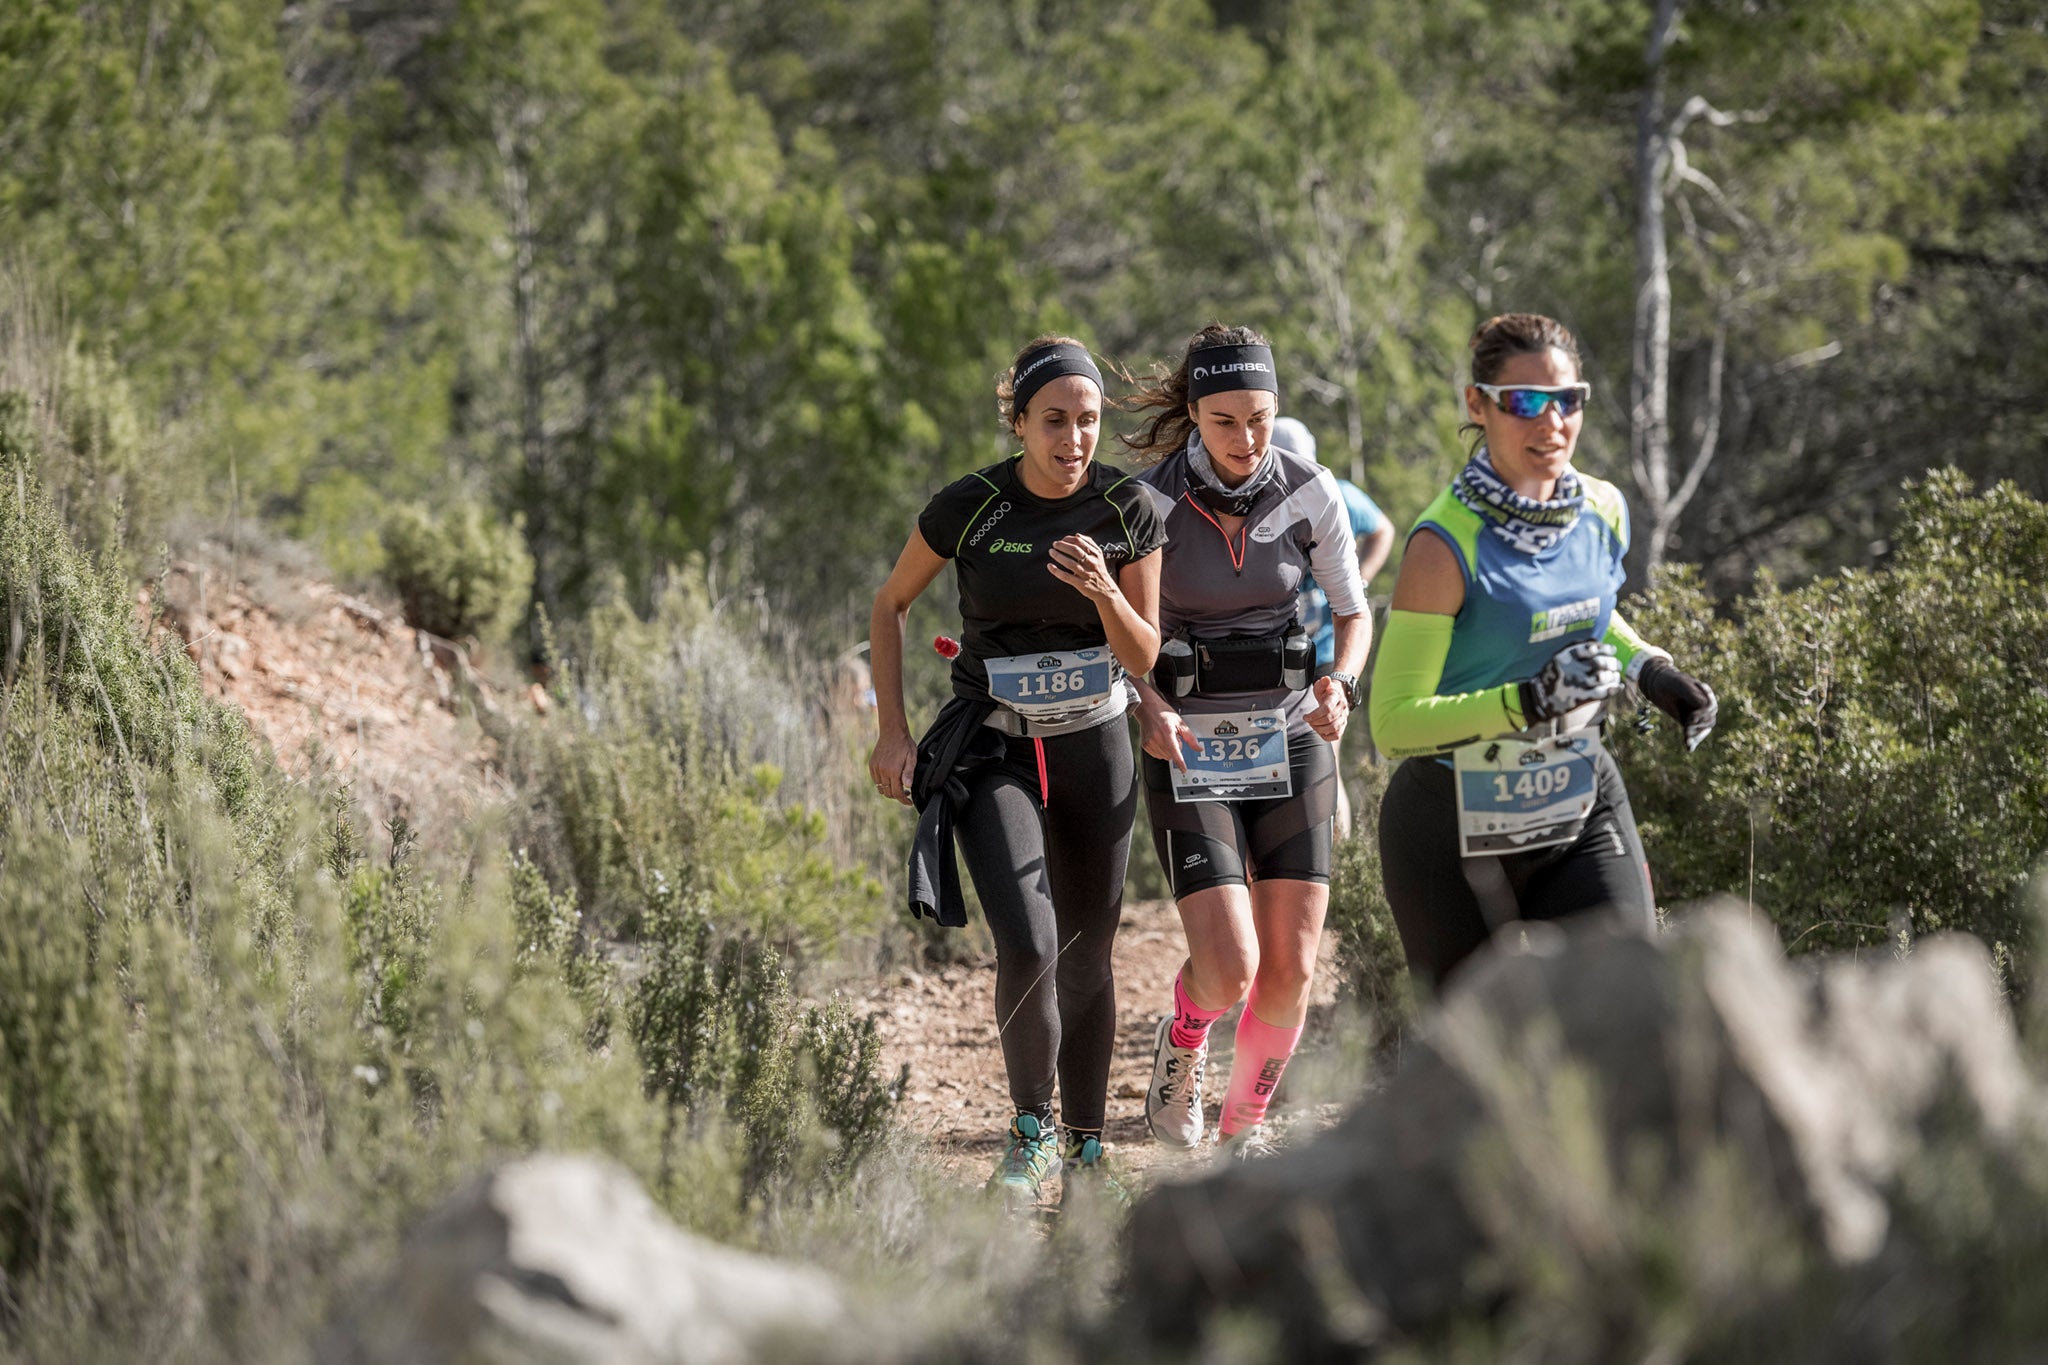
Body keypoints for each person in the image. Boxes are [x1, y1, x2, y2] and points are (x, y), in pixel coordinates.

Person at [868, 335, 1166, 1210]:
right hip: (994, 747)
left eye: (1087, 421)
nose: (1073, 439)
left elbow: (1145, 650)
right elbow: (890, 605)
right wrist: (893, 730)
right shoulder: (974, 507)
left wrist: (1106, 591)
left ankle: (1088, 1150)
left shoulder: (1129, 507)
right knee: (1029, 942)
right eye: (1054, 421)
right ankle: (1031, 1133)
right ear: (1019, 421)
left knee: (1088, 954)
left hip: (1095, 745)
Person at [1367, 313, 1717, 992]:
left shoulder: (1604, 508)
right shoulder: (1444, 543)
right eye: (1524, 402)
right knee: (1482, 1068)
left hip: (1577, 797)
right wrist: (1527, 700)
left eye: (1568, 400)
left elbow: (1591, 614)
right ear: (1478, 404)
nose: (1550, 422)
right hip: (1451, 825)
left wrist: (1652, 668)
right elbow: (1393, 721)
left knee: (1631, 1004)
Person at [1124, 325, 1370, 1159]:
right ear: (1193, 415)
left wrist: (1341, 682)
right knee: (1229, 967)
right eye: (1224, 421)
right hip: (1190, 741)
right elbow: (1120, 636)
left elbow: (1353, 611)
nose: (1246, 438)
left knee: (1292, 968)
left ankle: (1243, 1133)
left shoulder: (1311, 489)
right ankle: (1186, 1037)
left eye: (1260, 417)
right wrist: (1145, 704)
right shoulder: (1149, 502)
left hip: (1293, 731)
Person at [1271, 415, 1395, 837]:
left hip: (1325, 653)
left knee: (1325, 759)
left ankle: (1337, 865)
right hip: (1272, 657)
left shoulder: (1336, 494)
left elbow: (1382, 528)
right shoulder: (1255, 505)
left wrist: (1361, 578)